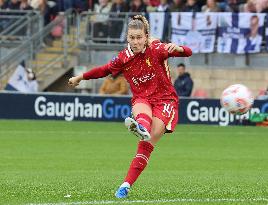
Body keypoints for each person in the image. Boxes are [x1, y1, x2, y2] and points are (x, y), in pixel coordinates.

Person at [68, 15, 192, 198]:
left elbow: (188, 52)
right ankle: (141, 127)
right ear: (127, 38)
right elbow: (104, 70)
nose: (135, 42)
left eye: (139, 38)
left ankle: (127, 181)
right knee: (142, 113)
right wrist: (81, 77)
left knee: (148, 142)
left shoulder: (157, 49)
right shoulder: (123, 58)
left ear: (146, 37)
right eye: (131, 38)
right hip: (143, 97)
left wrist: (179, 47)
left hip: (165, 100)